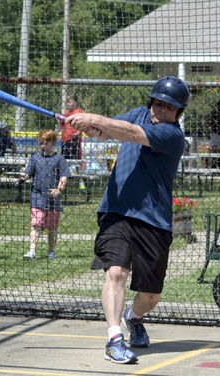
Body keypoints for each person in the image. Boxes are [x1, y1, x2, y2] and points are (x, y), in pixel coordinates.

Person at [66, 76, 189, 364]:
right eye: (157, 102)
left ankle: (133, 318)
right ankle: (114, 339)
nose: (160, 110)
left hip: (153, 220)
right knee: (116, 272)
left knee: (150, 295)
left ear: (178, 112)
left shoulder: (173, 135)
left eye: (169, 107)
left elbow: (132, 134)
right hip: (117, 210)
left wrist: (94, 118)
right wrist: (87, 126)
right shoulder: (139, 113)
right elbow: (106, 131)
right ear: (151, 101)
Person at [17, 130, 69, 260]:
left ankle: (51, 251)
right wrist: (22, 178)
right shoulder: (35, 158)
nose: (42, 146)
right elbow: (28, 172)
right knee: (36, 224)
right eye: (40, 143)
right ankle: (32, 252)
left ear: (53, 143)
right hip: (37, 196)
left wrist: (59, 189)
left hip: (52, 198)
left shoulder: (59, 159)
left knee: (52, 228)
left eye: (45, 143)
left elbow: (64, 176)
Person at [56, 95, 85, 159]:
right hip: (65, 140)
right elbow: (61, 124)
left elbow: (84, 124)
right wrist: (56, 133)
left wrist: (78, 133)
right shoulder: (66, 113)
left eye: (69, 102)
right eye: (67, 102)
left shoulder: (80, 112)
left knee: (76, 159)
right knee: (64, 159)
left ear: (75, 103)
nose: (67, 104)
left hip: (75, 140)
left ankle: (78, 168)